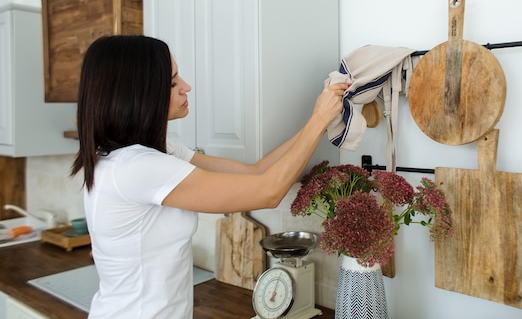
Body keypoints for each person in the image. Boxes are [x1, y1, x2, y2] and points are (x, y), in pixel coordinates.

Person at [70, 35, 347, 319]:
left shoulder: (151, 153)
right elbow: (269, 192)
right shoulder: (137, 167)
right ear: (140, 94)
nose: (186, 87)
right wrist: (318, 120)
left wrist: (319, 119)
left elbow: (257, 172)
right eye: (173, 82)